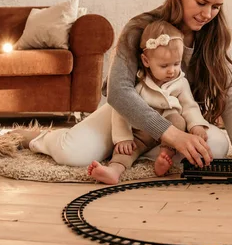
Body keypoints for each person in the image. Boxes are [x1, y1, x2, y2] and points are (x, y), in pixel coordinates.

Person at [17, 0, 232, 171]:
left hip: (175, 117)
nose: (207, 14)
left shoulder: (218, 37)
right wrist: (171, 136)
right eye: (201, 3)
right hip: (126, 115)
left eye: (216, 7)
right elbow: (118, 93)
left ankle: (134, 151)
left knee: (217, 147)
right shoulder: (140, 27)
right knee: (74, 154)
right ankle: (40, 137)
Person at [88, 20, 210, 184]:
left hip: (170, 133)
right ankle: (113, 170)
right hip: (142, 132)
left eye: (176, 63)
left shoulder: (180, 82)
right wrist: (123, 138)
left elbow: (189, 105)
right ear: (146, 61)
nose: (171, 70)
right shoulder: (139, 83)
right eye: (164, 65)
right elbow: (122, 111)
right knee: (126, 150)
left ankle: (165, 156)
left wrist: (196, 125)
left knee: (178, 119)